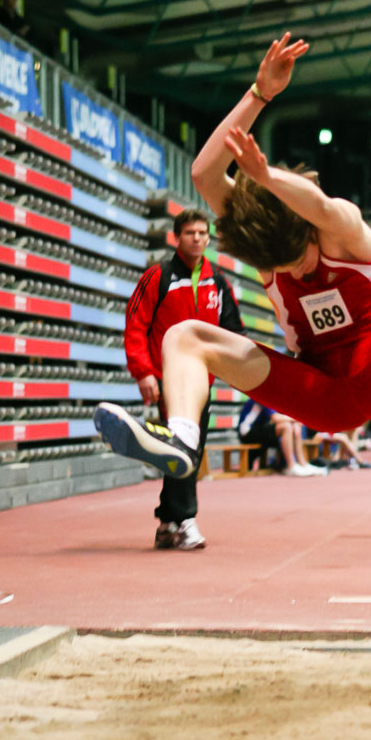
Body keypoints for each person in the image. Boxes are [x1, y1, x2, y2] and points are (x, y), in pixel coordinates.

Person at [94, 32, 371, 481]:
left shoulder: (341, 230)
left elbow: (321, 206)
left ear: (310, 232)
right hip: (320, 395)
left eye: (300, 261)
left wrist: (265, 175)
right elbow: (203, 173)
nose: (296, 272)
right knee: (184, 336)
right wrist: (259, 95)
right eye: (285, 268)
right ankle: (182, 440)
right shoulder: (271, 250)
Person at [123, 208, 244, 549]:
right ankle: (186, 519)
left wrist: (232, 371)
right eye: (190, 232)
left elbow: (234, 331)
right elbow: (136, 326)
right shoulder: (157, 276)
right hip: (168, 383)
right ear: (177, 237)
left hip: (202, 384)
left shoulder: (217, 280)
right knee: (185, 449)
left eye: (203, 233)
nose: (197, 238)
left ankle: (167, 522)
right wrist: (144, 372)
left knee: (185, 450)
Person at [238, 398, 326, 476]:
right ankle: (291, 466)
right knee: (286, 426)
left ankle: (303, 463)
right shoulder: (264, 396)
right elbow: (275, 418)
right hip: (247, 432)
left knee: (295, 426)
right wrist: (297, 419)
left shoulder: (277, 398)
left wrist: (296, 422)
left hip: (260, 429)